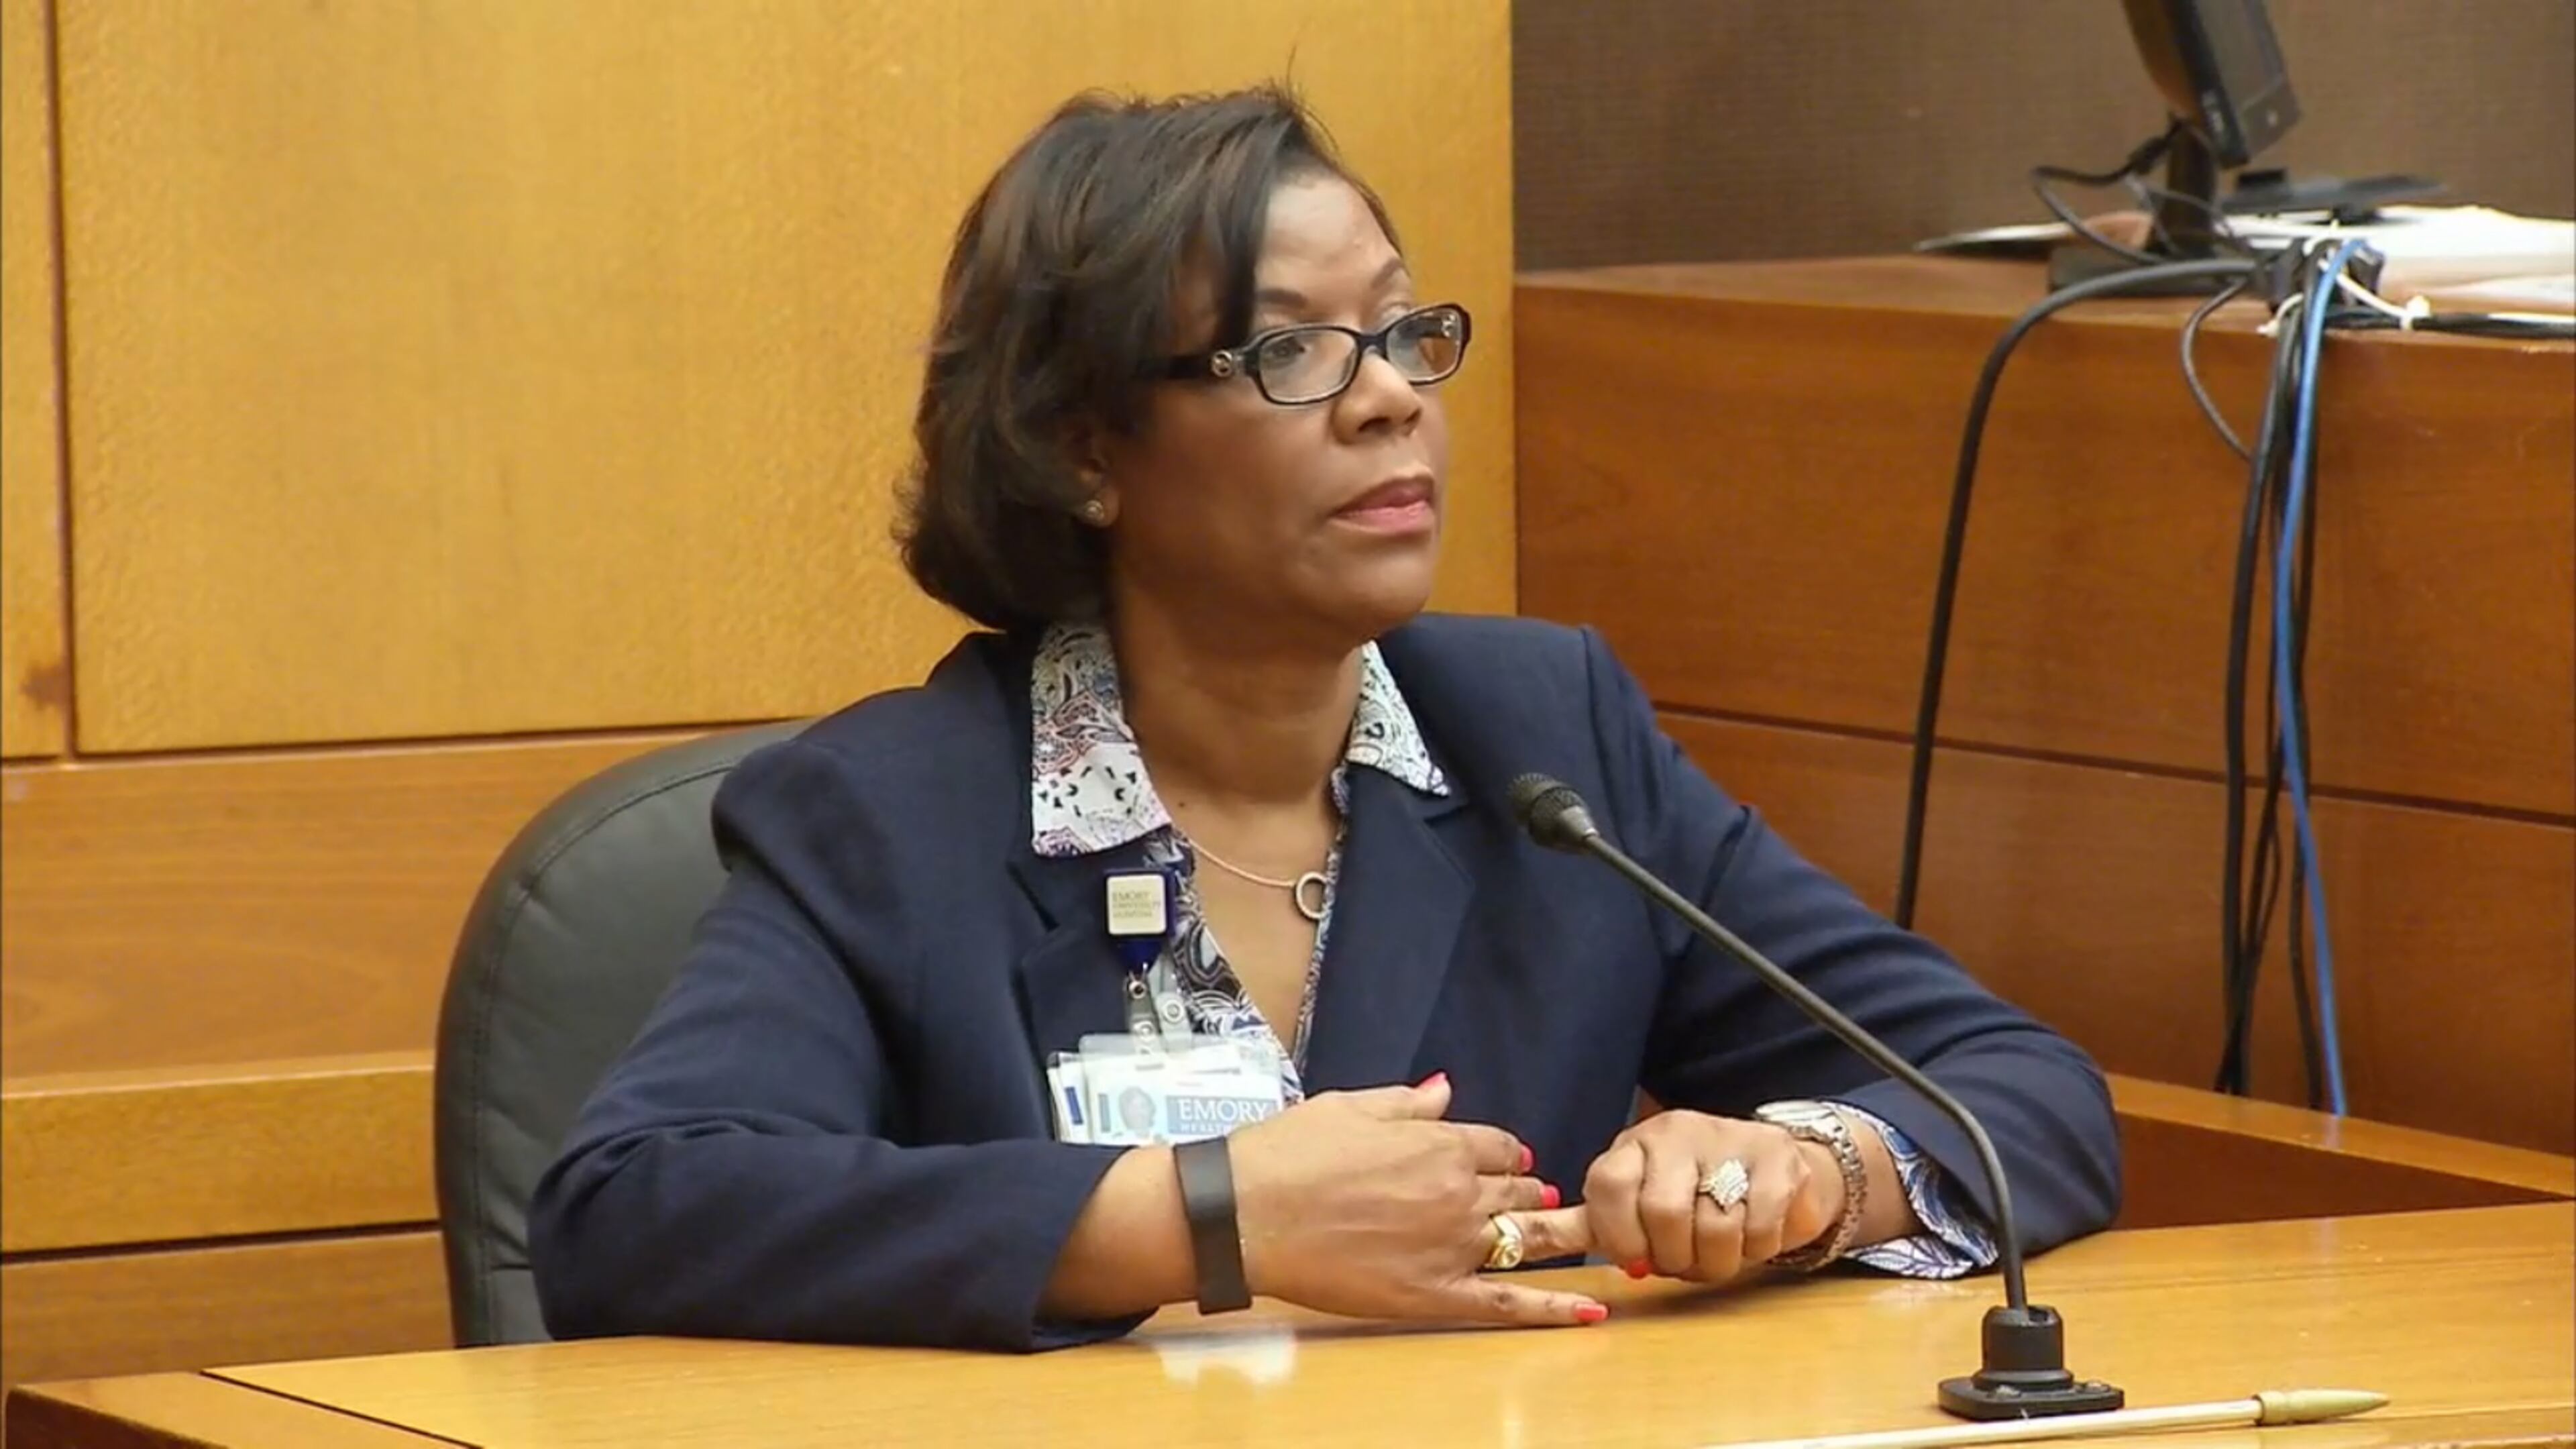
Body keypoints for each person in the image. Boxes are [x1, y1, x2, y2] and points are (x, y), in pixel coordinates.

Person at [529, 83, 2121, 1353]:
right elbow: (638, 1209)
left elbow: (2016, 1087)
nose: (1390, 397)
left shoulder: (1540, 737)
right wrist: (1202, 1218)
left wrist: (1815, 1173)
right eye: (1292, 348)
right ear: (1089, 447)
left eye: (1405, 331)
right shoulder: (896, 807)